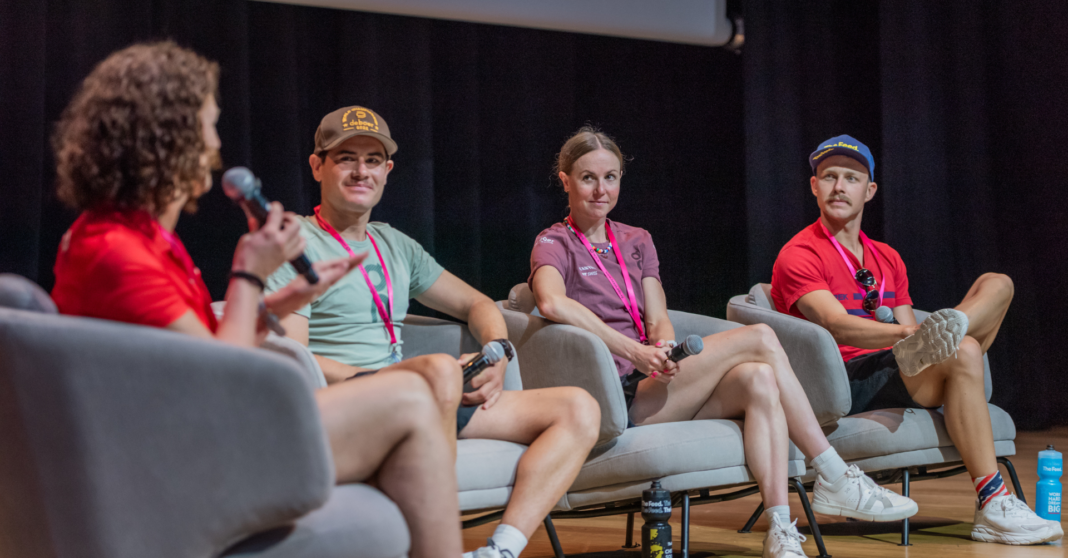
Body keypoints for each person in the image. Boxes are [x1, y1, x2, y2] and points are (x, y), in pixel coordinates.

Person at [49, 42, 464, 558]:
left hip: (194, 436)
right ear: (167, 137)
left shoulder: (138, 239)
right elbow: (221, 380)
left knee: (409, 400)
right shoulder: (118, 252)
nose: (215, 144)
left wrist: (287, 298)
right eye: (208, 126)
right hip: (185, 458)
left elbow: (208, 346)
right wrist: (249, 272)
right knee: (408, 398)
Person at [529, 127, 917, 558]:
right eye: (588, 178)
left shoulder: (636, 240)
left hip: (653, 380)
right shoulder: (553, 241)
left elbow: (657, 316)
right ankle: (833, 472)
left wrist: (665, 348)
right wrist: (633, 351)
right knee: (761, 337)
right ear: (565, 181)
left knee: (759, 379)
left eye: (610, 177)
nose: (601, 190)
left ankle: (781, 529)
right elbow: (550, 302)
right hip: (614, 392)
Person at [267, 106, 601, 558]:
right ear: (317, 166)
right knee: (439, 370)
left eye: (372, 160)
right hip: (351, 402)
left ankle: (499, 551)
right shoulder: (296, 246)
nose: (361, 171)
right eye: (346, 158)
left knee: (579, 408)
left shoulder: (394, 244)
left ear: (387, 172)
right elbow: (294, 359)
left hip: (421, 395)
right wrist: (396, 380)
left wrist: (497, 351)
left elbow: (476, 303)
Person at [771, 134, 1063, 545]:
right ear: (814, 186)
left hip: (897, 366)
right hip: (844, 378)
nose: (839, 186)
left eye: (851, 178)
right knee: (963, 349)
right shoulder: (800, 253)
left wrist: (920, 338)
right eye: (829, 177)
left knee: (998, 283)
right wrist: (911, 335)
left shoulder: (887, 257)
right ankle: (993, 502)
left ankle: (959, 327)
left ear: (869, 190)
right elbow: (836, 324)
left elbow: (909, 336)